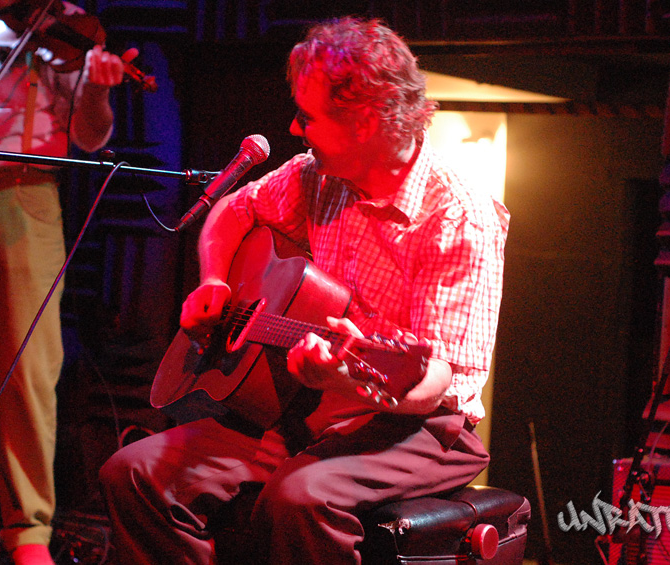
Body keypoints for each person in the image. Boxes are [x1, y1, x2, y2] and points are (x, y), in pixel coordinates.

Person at [99, 16, 510, 564]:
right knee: (133, 473)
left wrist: (348, 376)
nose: (294, 128)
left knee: (300, 498)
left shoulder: (457, 217)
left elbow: (436, 380)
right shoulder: (314, 176)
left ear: (363, 121)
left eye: (307, 117)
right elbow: (235, 209)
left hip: (420, 426)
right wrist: (216, 279)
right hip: (305, 406)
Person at [0, 0, 132, 562]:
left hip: (26, 191)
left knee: (25, 371)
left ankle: (28, 531)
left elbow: (91, 138)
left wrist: (96, 90)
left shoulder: (70, 25)